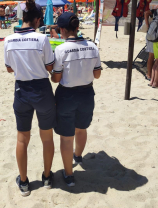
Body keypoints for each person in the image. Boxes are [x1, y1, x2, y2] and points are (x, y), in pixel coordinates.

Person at [4, 0, 56, 197]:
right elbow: (50, 66)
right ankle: (47, 177)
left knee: (22, 138)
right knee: (47, 137)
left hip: (22, 91)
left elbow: (9, 69)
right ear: (36, 19)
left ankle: (24, 182)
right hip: (42, 90)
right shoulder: (42, 39)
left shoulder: (8, 40)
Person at [50, 12, 101, 187]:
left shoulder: (61, 49)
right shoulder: (92, 46)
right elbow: (98, 74)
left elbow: (56, 79)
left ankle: (69, 174)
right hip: (87, 94)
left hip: (67, 94)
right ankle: (78, 156)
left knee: (66, 136)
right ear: (77, 27)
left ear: (62, 30)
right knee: (81, 128)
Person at [144, 9, 157, 81]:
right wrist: (147, 25)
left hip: (153, 34)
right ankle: (149, 74)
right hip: (152, 35)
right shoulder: (157, 10)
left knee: (153, 56)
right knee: (152, 56)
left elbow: (146, 13)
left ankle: (150, 74)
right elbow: (146, 12)